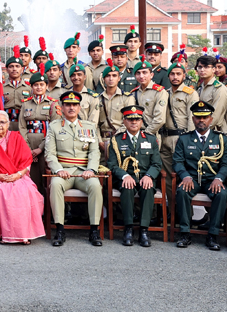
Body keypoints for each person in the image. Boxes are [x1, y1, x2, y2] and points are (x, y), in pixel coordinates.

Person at [0, 110, 46, 244]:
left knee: (26, 190)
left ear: (8, 124)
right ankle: (3, 233)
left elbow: (26, 161)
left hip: (17, 175)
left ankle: (24, 234)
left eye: (2, 122)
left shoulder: (17, 138)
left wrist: (17, 175)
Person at [45, 90, 103, 247]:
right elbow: (50, 154)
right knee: (55, 184)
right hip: (64, 171)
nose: (71, 108)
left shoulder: (89, 126)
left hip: (84, 171)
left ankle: (94, 230)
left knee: (95, 186)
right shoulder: (54, 126)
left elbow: (94, 152)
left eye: (75, 105)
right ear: (62, 107)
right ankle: (60, 229)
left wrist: (91, 170)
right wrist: (58, 170)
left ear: (79, 108)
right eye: (68, 105)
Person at [173, 101, 227, 250]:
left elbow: (226, 164)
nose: (201, 120)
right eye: (198, 117)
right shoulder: (184, 139)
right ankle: (185, 233)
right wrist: (185, 176)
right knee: (182, 191)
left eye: (205, 117)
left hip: (212, 180)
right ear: (193, 119)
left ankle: (212, 235)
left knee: (221, 194)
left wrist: (219, 179)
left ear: (211, 119)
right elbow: (177, 162)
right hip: (192, 179)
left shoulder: (220, 139)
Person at [109, 105, 160, 247]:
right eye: (130, 119)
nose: (134, 122)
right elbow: (112, 165)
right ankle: (128, 228)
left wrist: (149, 176)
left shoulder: (150, 139)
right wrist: (124, 175)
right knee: (127, 188)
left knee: (148, 188)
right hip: (125, 177)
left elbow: (157, 164)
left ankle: (144, 230)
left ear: (141, 122)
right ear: (124, 121)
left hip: (145, 177)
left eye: (137, 119)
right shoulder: (117, 140)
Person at [19, 73, 59, 192]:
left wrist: (40, 149)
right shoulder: (25, 103)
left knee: (45, 176)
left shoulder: (52, 103)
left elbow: (54, 128)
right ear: (31, 87)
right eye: (36, 85)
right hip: (28, 144)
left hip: (46, 144)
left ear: (46, 86)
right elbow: (22, 127)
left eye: (42, 84)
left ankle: (46, 203)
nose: (39, 87)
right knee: (31, 176)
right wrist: (28, 149)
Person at [160, 62, 196, 174]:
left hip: (182, 137)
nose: (175, 77)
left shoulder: (190, 93)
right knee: (167, 174)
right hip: (165, 138)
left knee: (183, 172)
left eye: (178, 74)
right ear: (168, 76)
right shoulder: (165, 93)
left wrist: (189, 140)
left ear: (184, 76)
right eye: (172, 74)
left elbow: (192, 118)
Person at [128, 61, 168, 139]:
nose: (141, 76)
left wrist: (145, 134)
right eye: (138, 73)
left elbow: (160, 119)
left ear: (151, 75)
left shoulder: (159, 92)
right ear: (135, 76)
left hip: (151, 135)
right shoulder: (133, 93)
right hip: (135, 135)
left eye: (144, 72)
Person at [193, 53, 227, 134]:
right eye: (200, 67)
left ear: (213, 69)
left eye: (206, 67)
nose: (202, 70)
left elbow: (215, 115)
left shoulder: (219, 88)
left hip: (213, 132)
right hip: (201, 131)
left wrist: (201, 131)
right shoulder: (200, 87)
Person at [3, 56, 31, 131]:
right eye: (11, 66)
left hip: (23, 122)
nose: (14, 69)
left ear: (22, 69)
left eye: (17, 66)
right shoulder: (1, 87)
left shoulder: (29, 88)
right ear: (7, 69)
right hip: (5, 122)